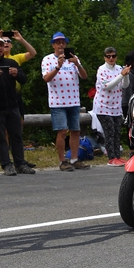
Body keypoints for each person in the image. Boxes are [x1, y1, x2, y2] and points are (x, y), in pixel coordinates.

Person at [0, 36, 35, 175]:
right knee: (0, 138)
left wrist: (16, 74)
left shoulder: (11, 62)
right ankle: (6, 165)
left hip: (12, 105)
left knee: (17, 136)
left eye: (1, 45)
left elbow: (24, 79)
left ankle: (20, 163)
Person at [41, 31, 90, 172]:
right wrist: (58, 66)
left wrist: (77, 64)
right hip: (57, 102)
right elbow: (46, 78)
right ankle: (62, 161)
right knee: (62, 131)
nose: (61, 45)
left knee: (75, 131)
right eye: (58, 43)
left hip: (73, 100)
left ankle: (74, 159)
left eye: (63, 42)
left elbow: (84, 76)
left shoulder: (73, 58)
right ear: (53, 45)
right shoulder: (47, 59)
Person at [0, 30, 37, 121]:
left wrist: (21, 39)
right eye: (4, 41)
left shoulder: (15, 58)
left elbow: (33, 53)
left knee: (19, 122)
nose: (6, 43)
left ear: (11, 45)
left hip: (15, 95)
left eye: (8, 41)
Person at [94, 47, 131, 166]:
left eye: (113, 56)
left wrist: (126, 75)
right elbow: (107, 86)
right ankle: (111, 157)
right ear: (104, 57)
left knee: (117, 132)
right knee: (109, 131)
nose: (111, 58)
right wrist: (121, 75)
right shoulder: (102, 70)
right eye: (108, 56)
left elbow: (125, 85)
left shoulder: (119, 68)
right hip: (103, 106)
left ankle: (117, 156)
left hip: (116, 106)